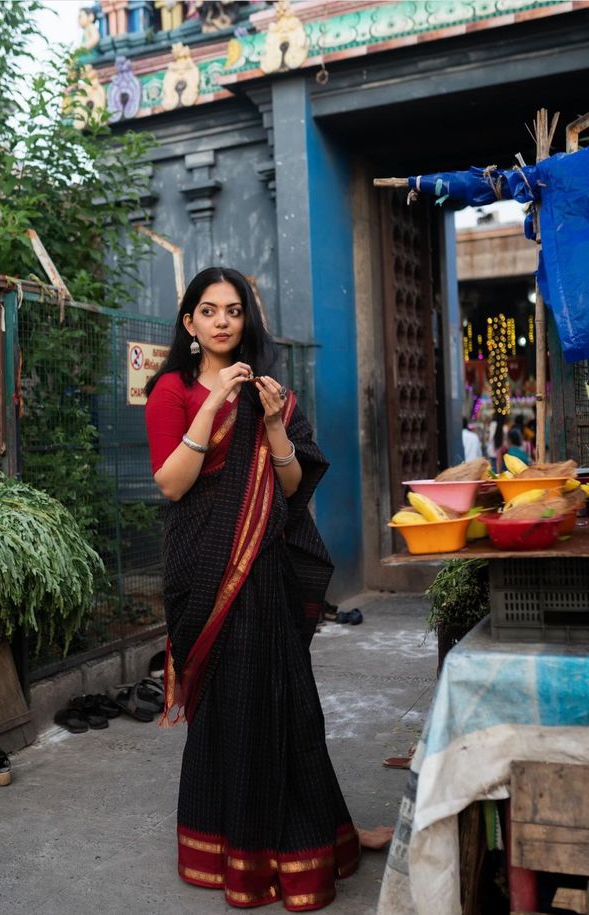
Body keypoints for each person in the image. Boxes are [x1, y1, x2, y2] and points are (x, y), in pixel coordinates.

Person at [144, 267, 388, 912]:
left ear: (246, 320)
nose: (223, 320)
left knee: (291, 703)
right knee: (232, 706)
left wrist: (274, 421)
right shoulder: (170, 389)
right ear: (190, 325)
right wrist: (214, 403)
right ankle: (236, 851)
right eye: (209, 310)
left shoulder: (270, 391)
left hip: (264, 568)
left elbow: (288, 488)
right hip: (203, 568)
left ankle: (322, 835)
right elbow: (171, 485)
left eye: (234, 310)